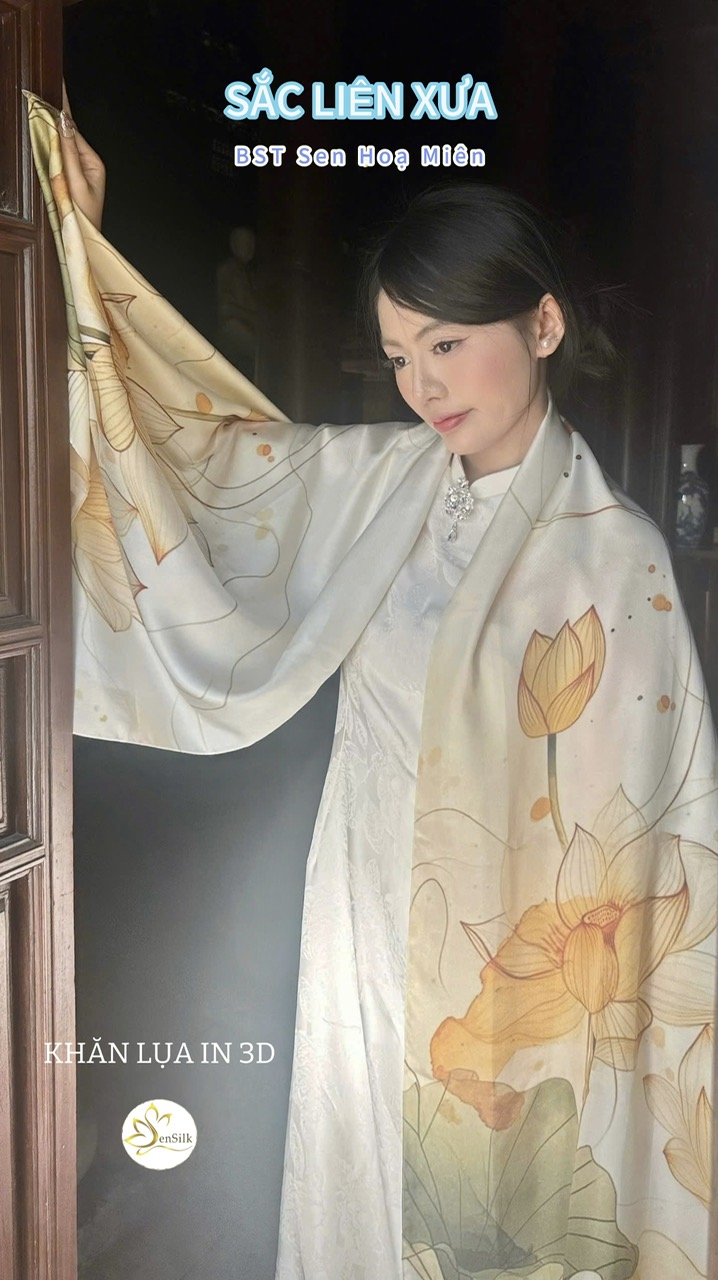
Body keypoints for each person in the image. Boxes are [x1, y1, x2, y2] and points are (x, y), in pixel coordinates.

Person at [28, 87, 717, 1280]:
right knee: (355, 1184)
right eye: (400, 355)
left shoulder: (618, 558)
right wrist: (81, 257)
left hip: (502, 955)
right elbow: (201, 458)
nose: (422, 385)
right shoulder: (387, 486)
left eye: (446, 344)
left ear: (543, 324)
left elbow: (637, 848)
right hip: (357, 899)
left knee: (481, 1208)